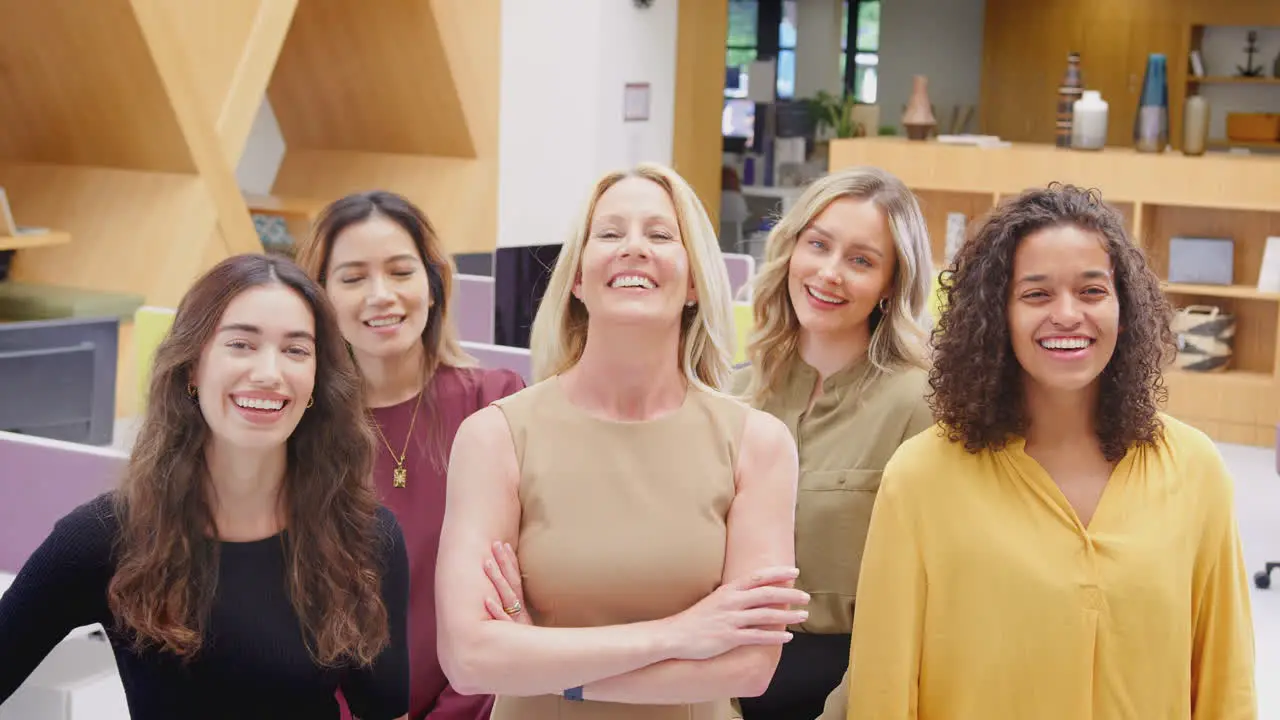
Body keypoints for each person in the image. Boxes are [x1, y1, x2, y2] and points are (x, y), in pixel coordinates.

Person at [845, 184, 1257, 718]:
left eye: (1091, 292)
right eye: (1036, 294)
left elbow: (1227, 681)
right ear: (996, 317)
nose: (1067, 315)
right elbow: (883, 684)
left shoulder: (1195, 470)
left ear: (1124, 309)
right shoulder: (923, 476)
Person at [435, 162, 809, 720]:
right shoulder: (495, 436)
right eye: (609, 234)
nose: (633, 248)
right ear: (579, 279)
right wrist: (682, 633)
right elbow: (468, 657)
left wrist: (550, 666)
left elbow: (749, 668)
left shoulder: (759, 444)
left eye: (660, 235)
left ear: (692, 282)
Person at [0, 254, 410, 719]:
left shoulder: (366, 538)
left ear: (316, 379)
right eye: (241, 344)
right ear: (193, 368)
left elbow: (385, 713)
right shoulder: (106, 536)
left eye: (296, 350)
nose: (269, 372)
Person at [296, 190, 525, 720]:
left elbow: (521, 582)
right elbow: (296, 612)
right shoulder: (301, 426)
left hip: (482, 705)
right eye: (353, 278)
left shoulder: (496, 402)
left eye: (401, 272)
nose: (381, 295)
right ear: (321, 297)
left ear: (433, 282)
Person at [727, 166, 935, 720]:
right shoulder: (731, 394)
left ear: (892, 283)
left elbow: (930, 601)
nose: (829, 273)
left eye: (861, 260)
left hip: (847, 688)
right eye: (818, 245)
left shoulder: (922, 405)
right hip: (719, 685)